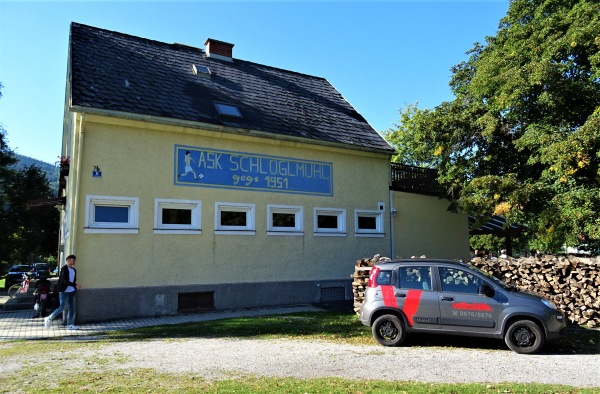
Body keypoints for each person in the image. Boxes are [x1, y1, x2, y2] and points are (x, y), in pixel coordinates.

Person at [43, 255, 81, 330]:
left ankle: (69, 324)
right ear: (68, 260)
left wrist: (74, 287)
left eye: (74, 260)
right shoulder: (64, 269)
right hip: (64, 291)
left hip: (72, 291)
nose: (74, 262)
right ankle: (49, 318)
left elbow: (73, 280)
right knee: (62, 307)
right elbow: (65, 281)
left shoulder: (74, 270)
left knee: (72, 308)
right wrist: (75, 285)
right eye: (73, 260)